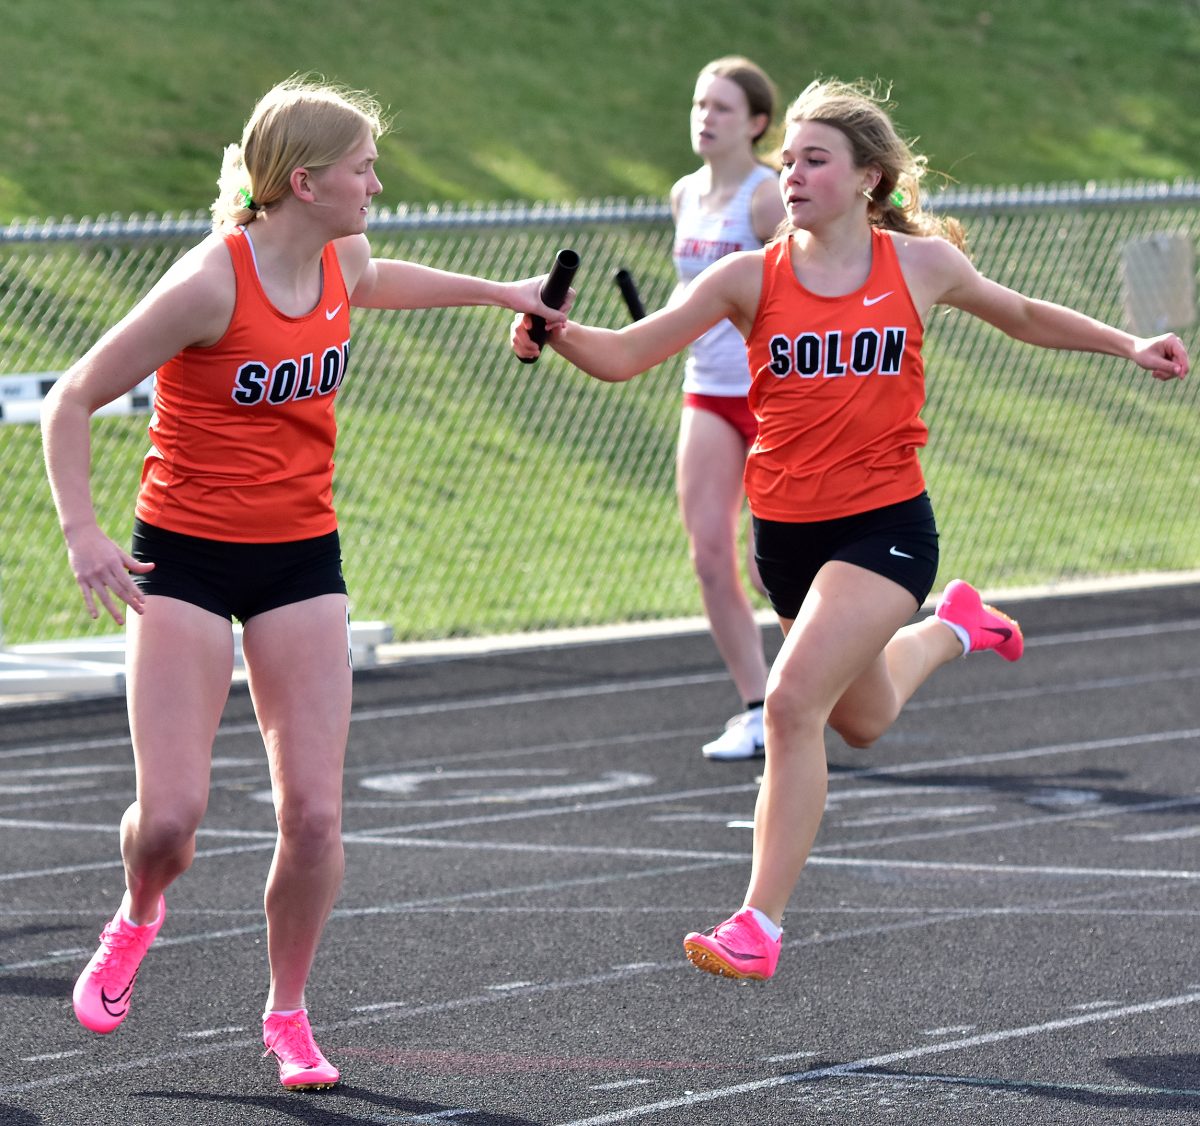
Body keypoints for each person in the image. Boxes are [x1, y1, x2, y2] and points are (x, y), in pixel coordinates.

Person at [512, 77, 1189, 982]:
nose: (791, 173)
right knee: (861, 720)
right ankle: (956, 626)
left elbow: (1022, 315)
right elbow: (627, 355)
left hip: (883, 529)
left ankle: (758, 923)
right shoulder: (749, 276)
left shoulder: (919, 267)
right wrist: (551, 331)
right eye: (786, 158)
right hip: (786, 540)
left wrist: (1130, 345)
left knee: (790, 706)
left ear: (868, 179)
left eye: (813, 159)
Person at [41, 76, 567, 1089]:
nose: (378, 183)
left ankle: (288, 1012)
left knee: (317, 817)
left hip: (298, 558)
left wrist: (506, 294)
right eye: (365, 168)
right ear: (305, 180)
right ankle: (139, 911)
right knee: (168, 822)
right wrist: (83, 533)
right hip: (184, 559)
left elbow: (380, 279)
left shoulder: (340, 254)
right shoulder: (209, 283)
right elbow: (73, 397)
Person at [670, 57, 787, 763]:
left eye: (721, 106)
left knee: (770, 566)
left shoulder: (768, 198)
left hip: (770, 397)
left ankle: (814, 687)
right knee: (710, 554)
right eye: (699, 102)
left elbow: (794, 294)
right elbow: (692, 301)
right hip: (706, 392)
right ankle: (756, 705)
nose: (705, 117)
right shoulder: (684, 194)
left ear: (755, 123)